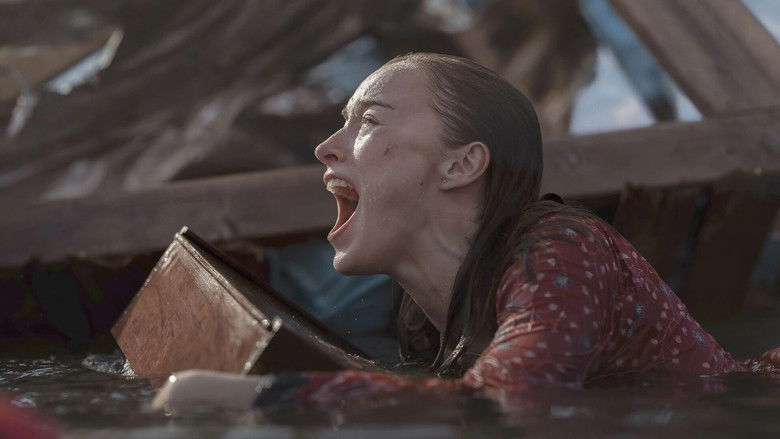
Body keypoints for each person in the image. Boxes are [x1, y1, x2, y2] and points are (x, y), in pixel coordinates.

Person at [151, 53, 780, 412]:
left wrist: (271, 394)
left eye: (367, 121)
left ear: (461, 165)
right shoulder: (432, 315)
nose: (325, 148)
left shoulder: (561, 250)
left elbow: (511, 399)